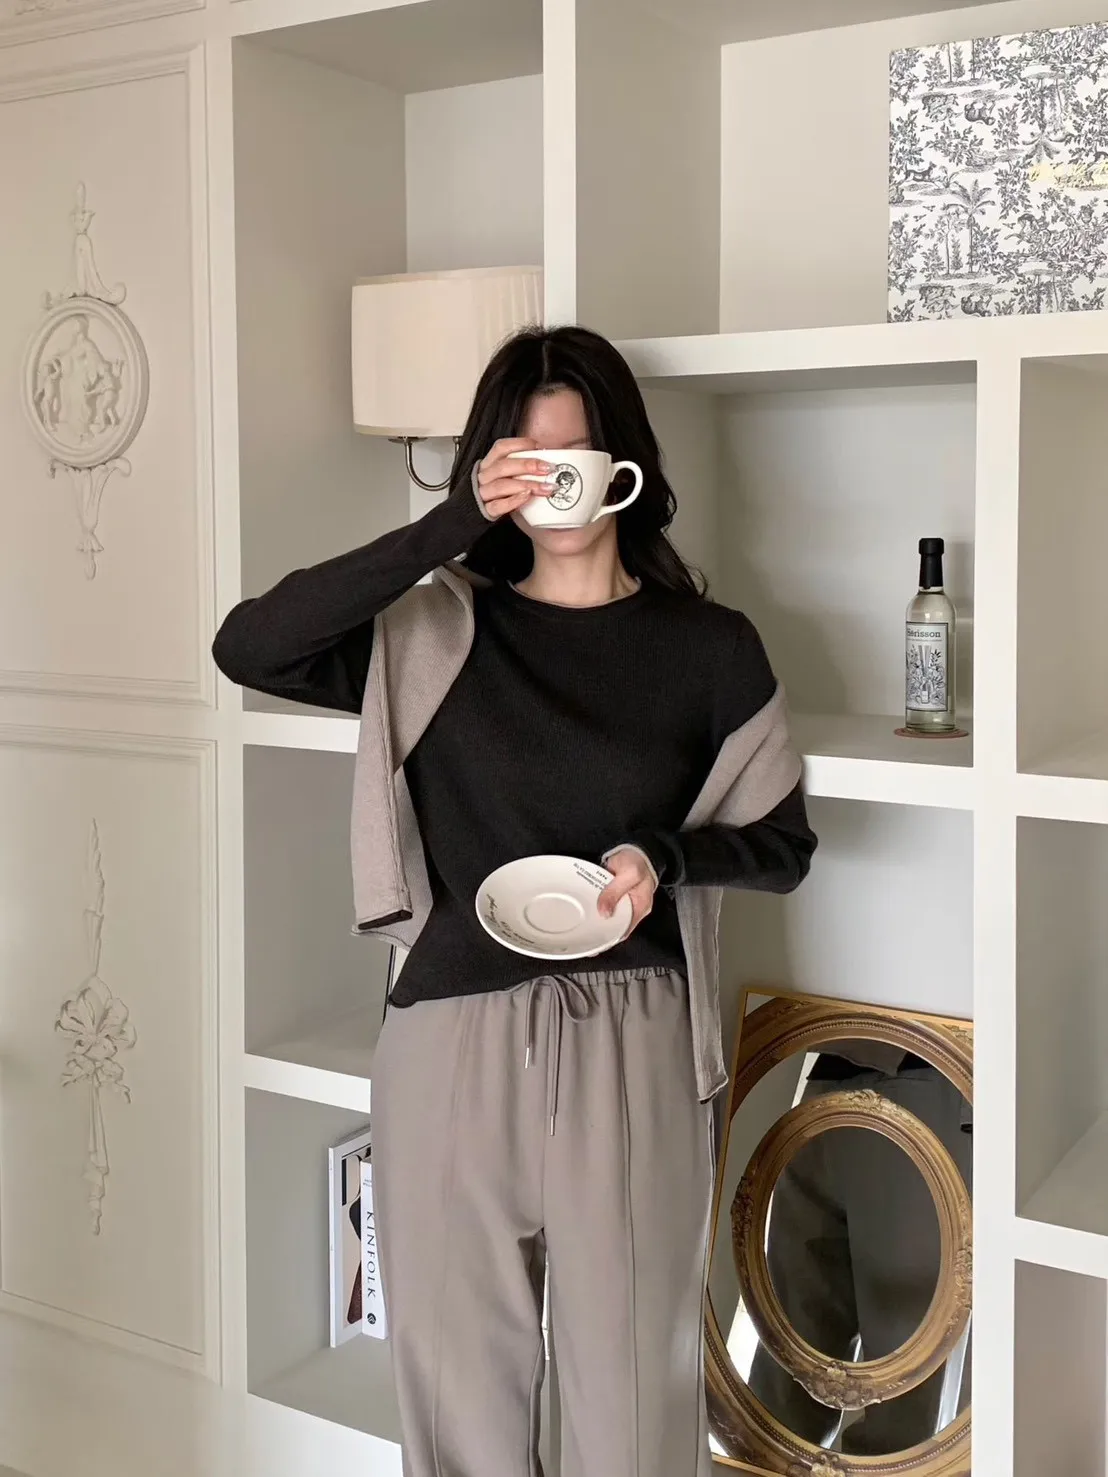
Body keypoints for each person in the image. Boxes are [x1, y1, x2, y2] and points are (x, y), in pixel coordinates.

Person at [212, 325, 817, 1477]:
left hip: (635, 1044)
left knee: (631, 1419)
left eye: (574, 453)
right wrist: (448, 526)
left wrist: (664, 858)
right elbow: (250, 644)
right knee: (459, 1419)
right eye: (523, 458)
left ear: (621, 463)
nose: (553, 478)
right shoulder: (432, 633)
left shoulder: (709, 648)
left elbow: (783, 845)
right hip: (449, 1044)